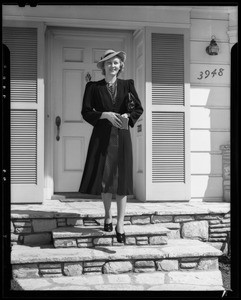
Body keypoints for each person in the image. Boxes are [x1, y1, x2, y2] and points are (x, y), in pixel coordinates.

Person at [79, 49, 143, 243]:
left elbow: (137, 108)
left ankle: (120, 223)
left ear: (120, 65)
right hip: (102, 136)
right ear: (103, 66)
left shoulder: (127, 85)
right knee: (105, 179)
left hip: (122, 136)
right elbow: (86, 112)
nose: (113, 66)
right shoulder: (93, 87)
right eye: (109, 63)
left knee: (122, 181)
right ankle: (108, 215)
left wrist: (127, 116)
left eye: (116, 62)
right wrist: (104, 114)